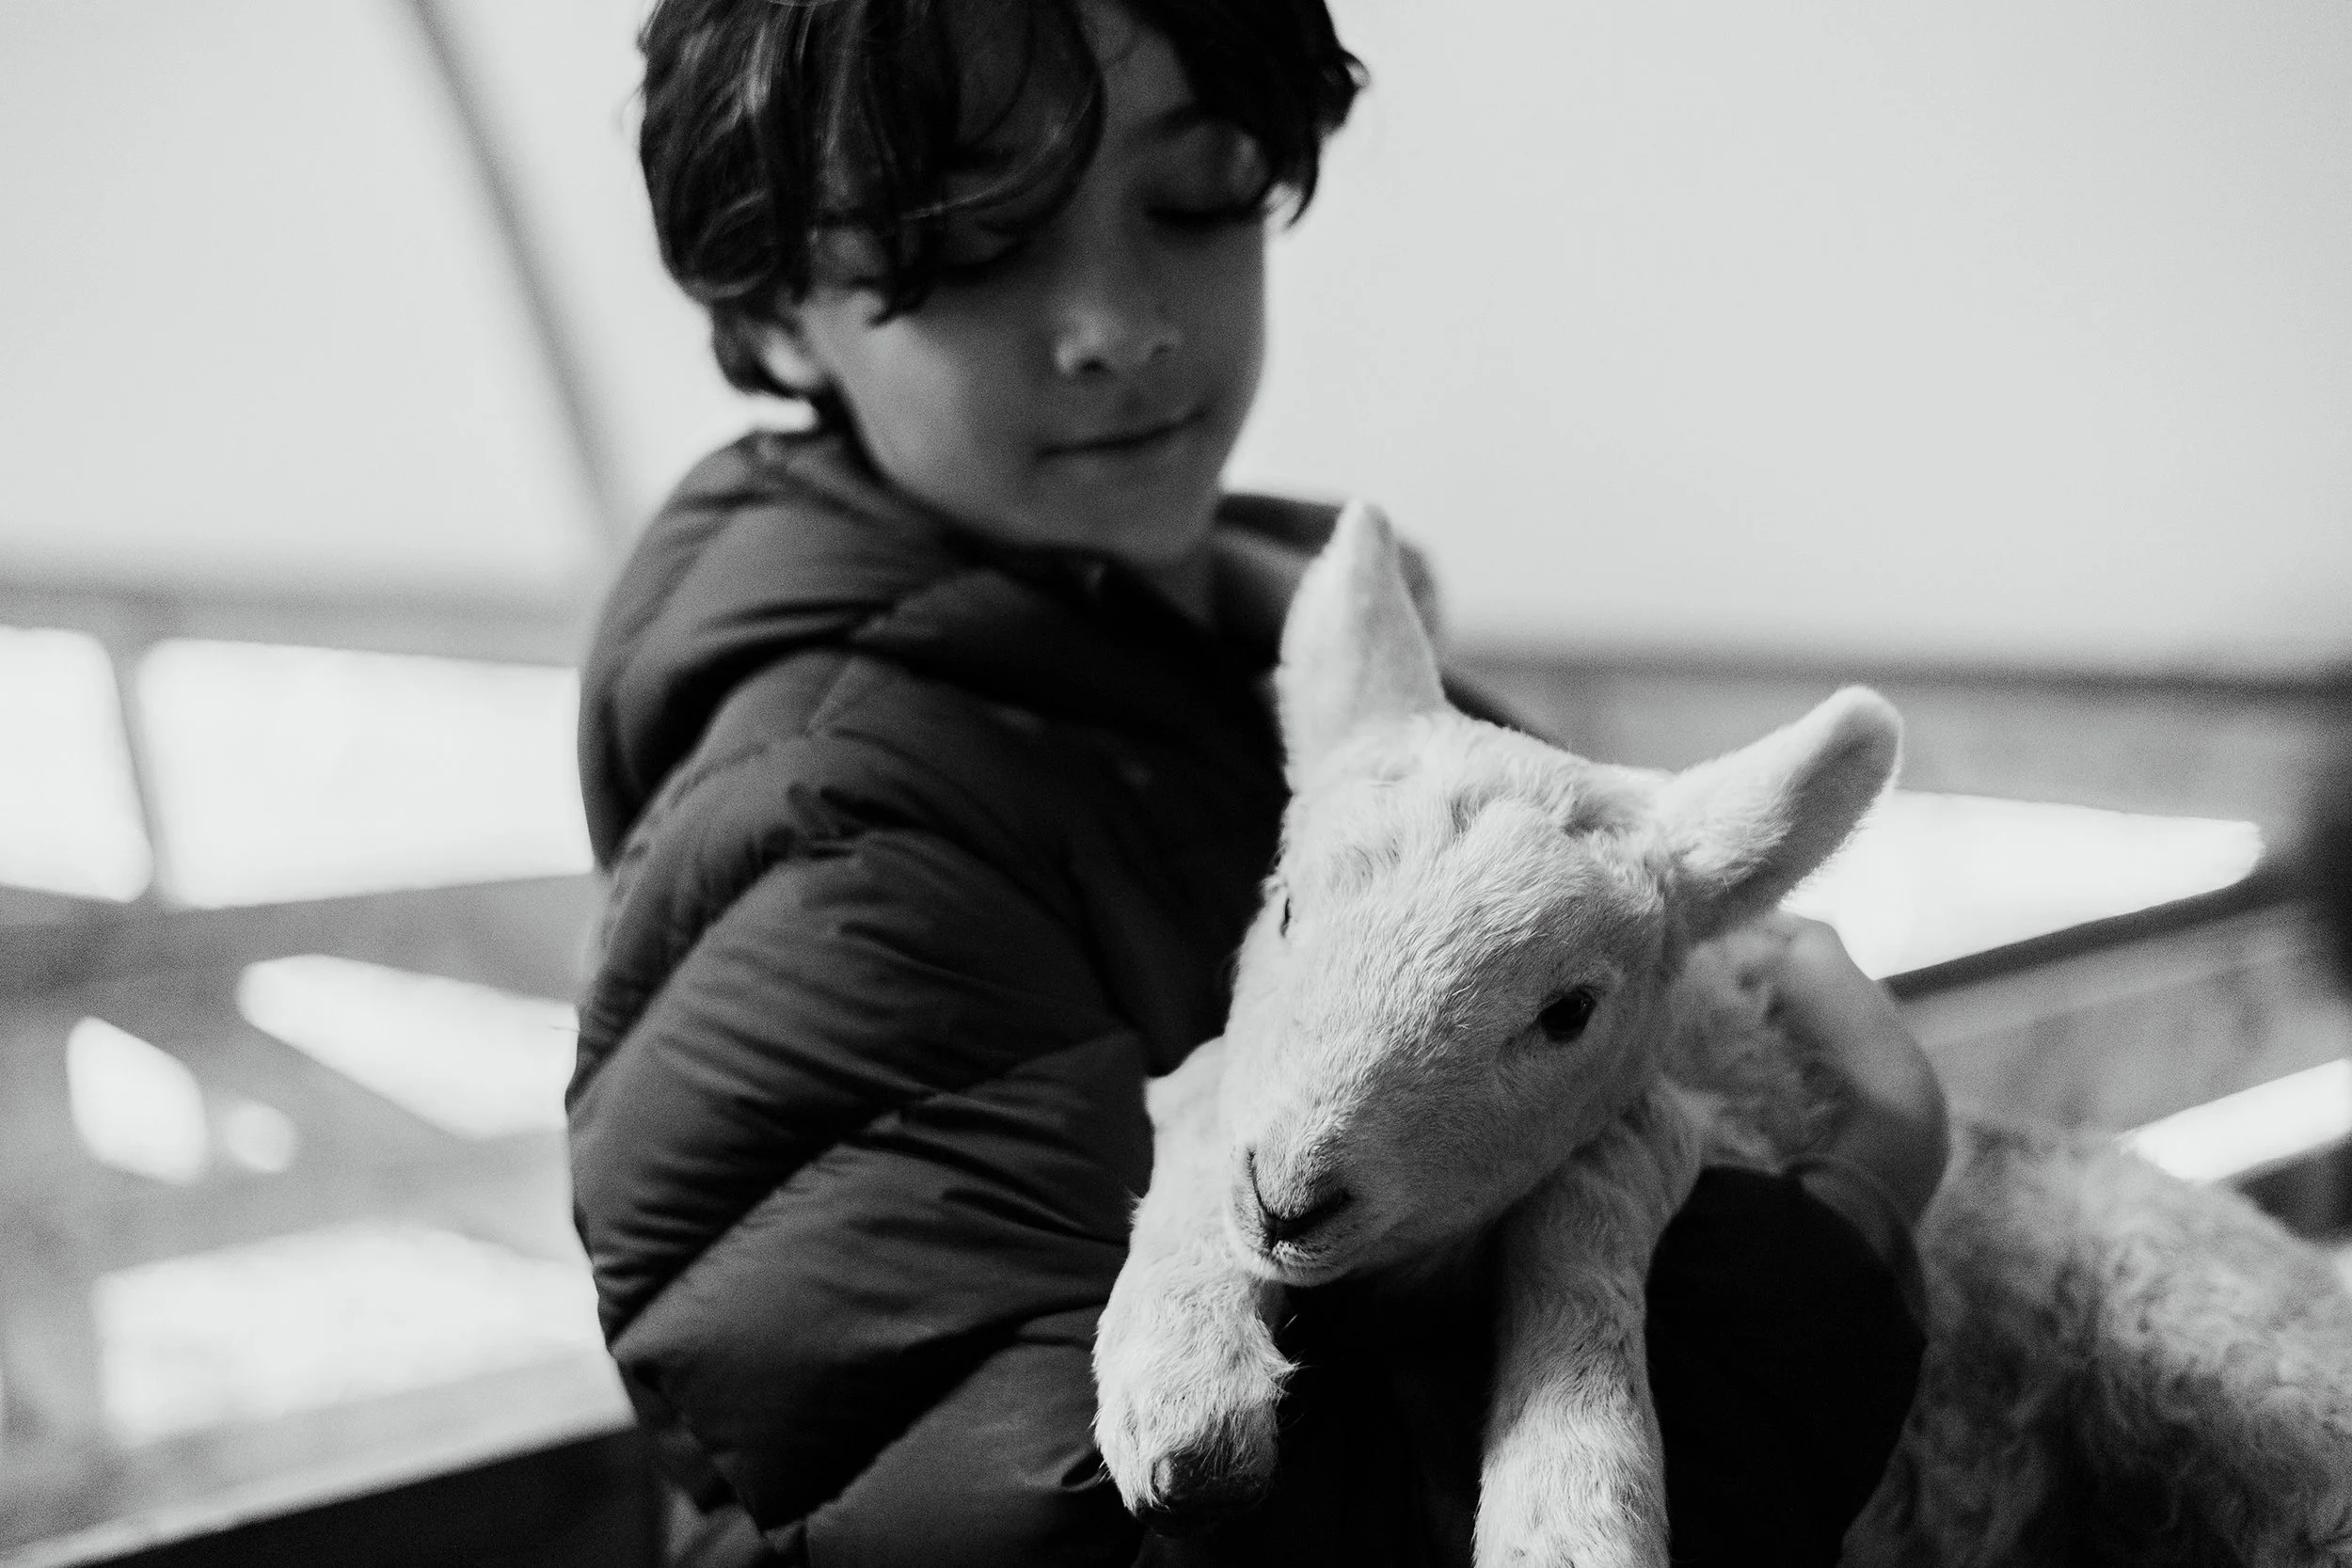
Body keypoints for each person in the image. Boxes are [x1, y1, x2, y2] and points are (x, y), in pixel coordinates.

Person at [566, 1, 1949, 1563]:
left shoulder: (1339, 703)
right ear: (775, 309)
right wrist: (1853, 1220)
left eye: (1198, 189)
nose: (1122, 321)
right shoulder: (819, 838)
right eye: (972, 239)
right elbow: (1080, 1542)